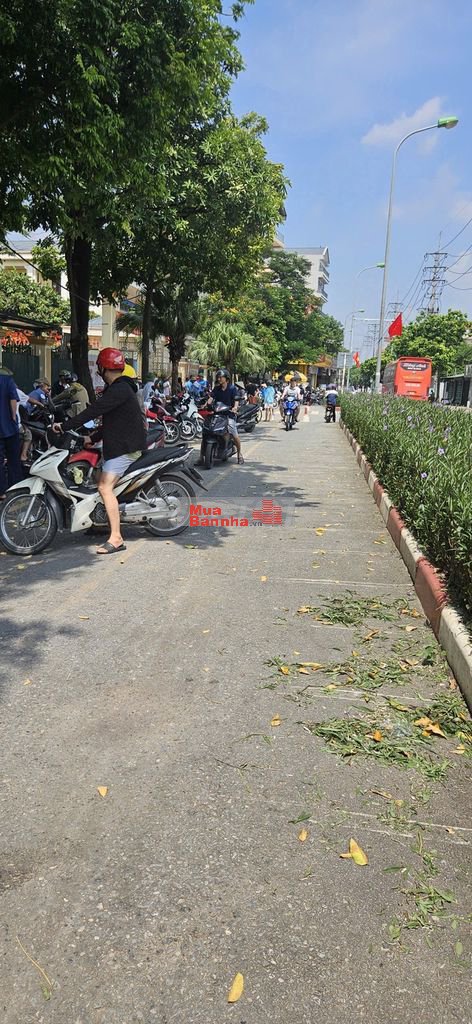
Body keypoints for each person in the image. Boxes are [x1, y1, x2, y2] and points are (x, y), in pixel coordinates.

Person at [52, 348, 146, 554]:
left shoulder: (119, 389)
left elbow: (92, 411)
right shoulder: (121, 388)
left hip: (125, 448)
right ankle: (101, 522)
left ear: (104, 368)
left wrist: (64, 426)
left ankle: (116, 538)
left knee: (104, 487)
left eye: (99, 369)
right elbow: (112, 422)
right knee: (95, 479)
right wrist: (91, 438)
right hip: (121, 444)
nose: (98, 372)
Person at [204, 368, 244, 465]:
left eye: (221, 377)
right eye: (218, 377)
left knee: (234, 433)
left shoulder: (232, 389)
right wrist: (206, 404)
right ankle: (201, 457)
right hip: (217, 414)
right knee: (206, 432)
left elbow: (236, 400)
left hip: (228, 415)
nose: (219, 379)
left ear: (226, 378)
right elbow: (211, 398)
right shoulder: (216, 389)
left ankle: (239, 454)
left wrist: (235, 407)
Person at [0, 367, 23, 498]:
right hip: (9, 427)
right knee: (13, 460)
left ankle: (1, 492)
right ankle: (16, 489)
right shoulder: (8, 381)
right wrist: (13, 417)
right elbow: (13, 400)